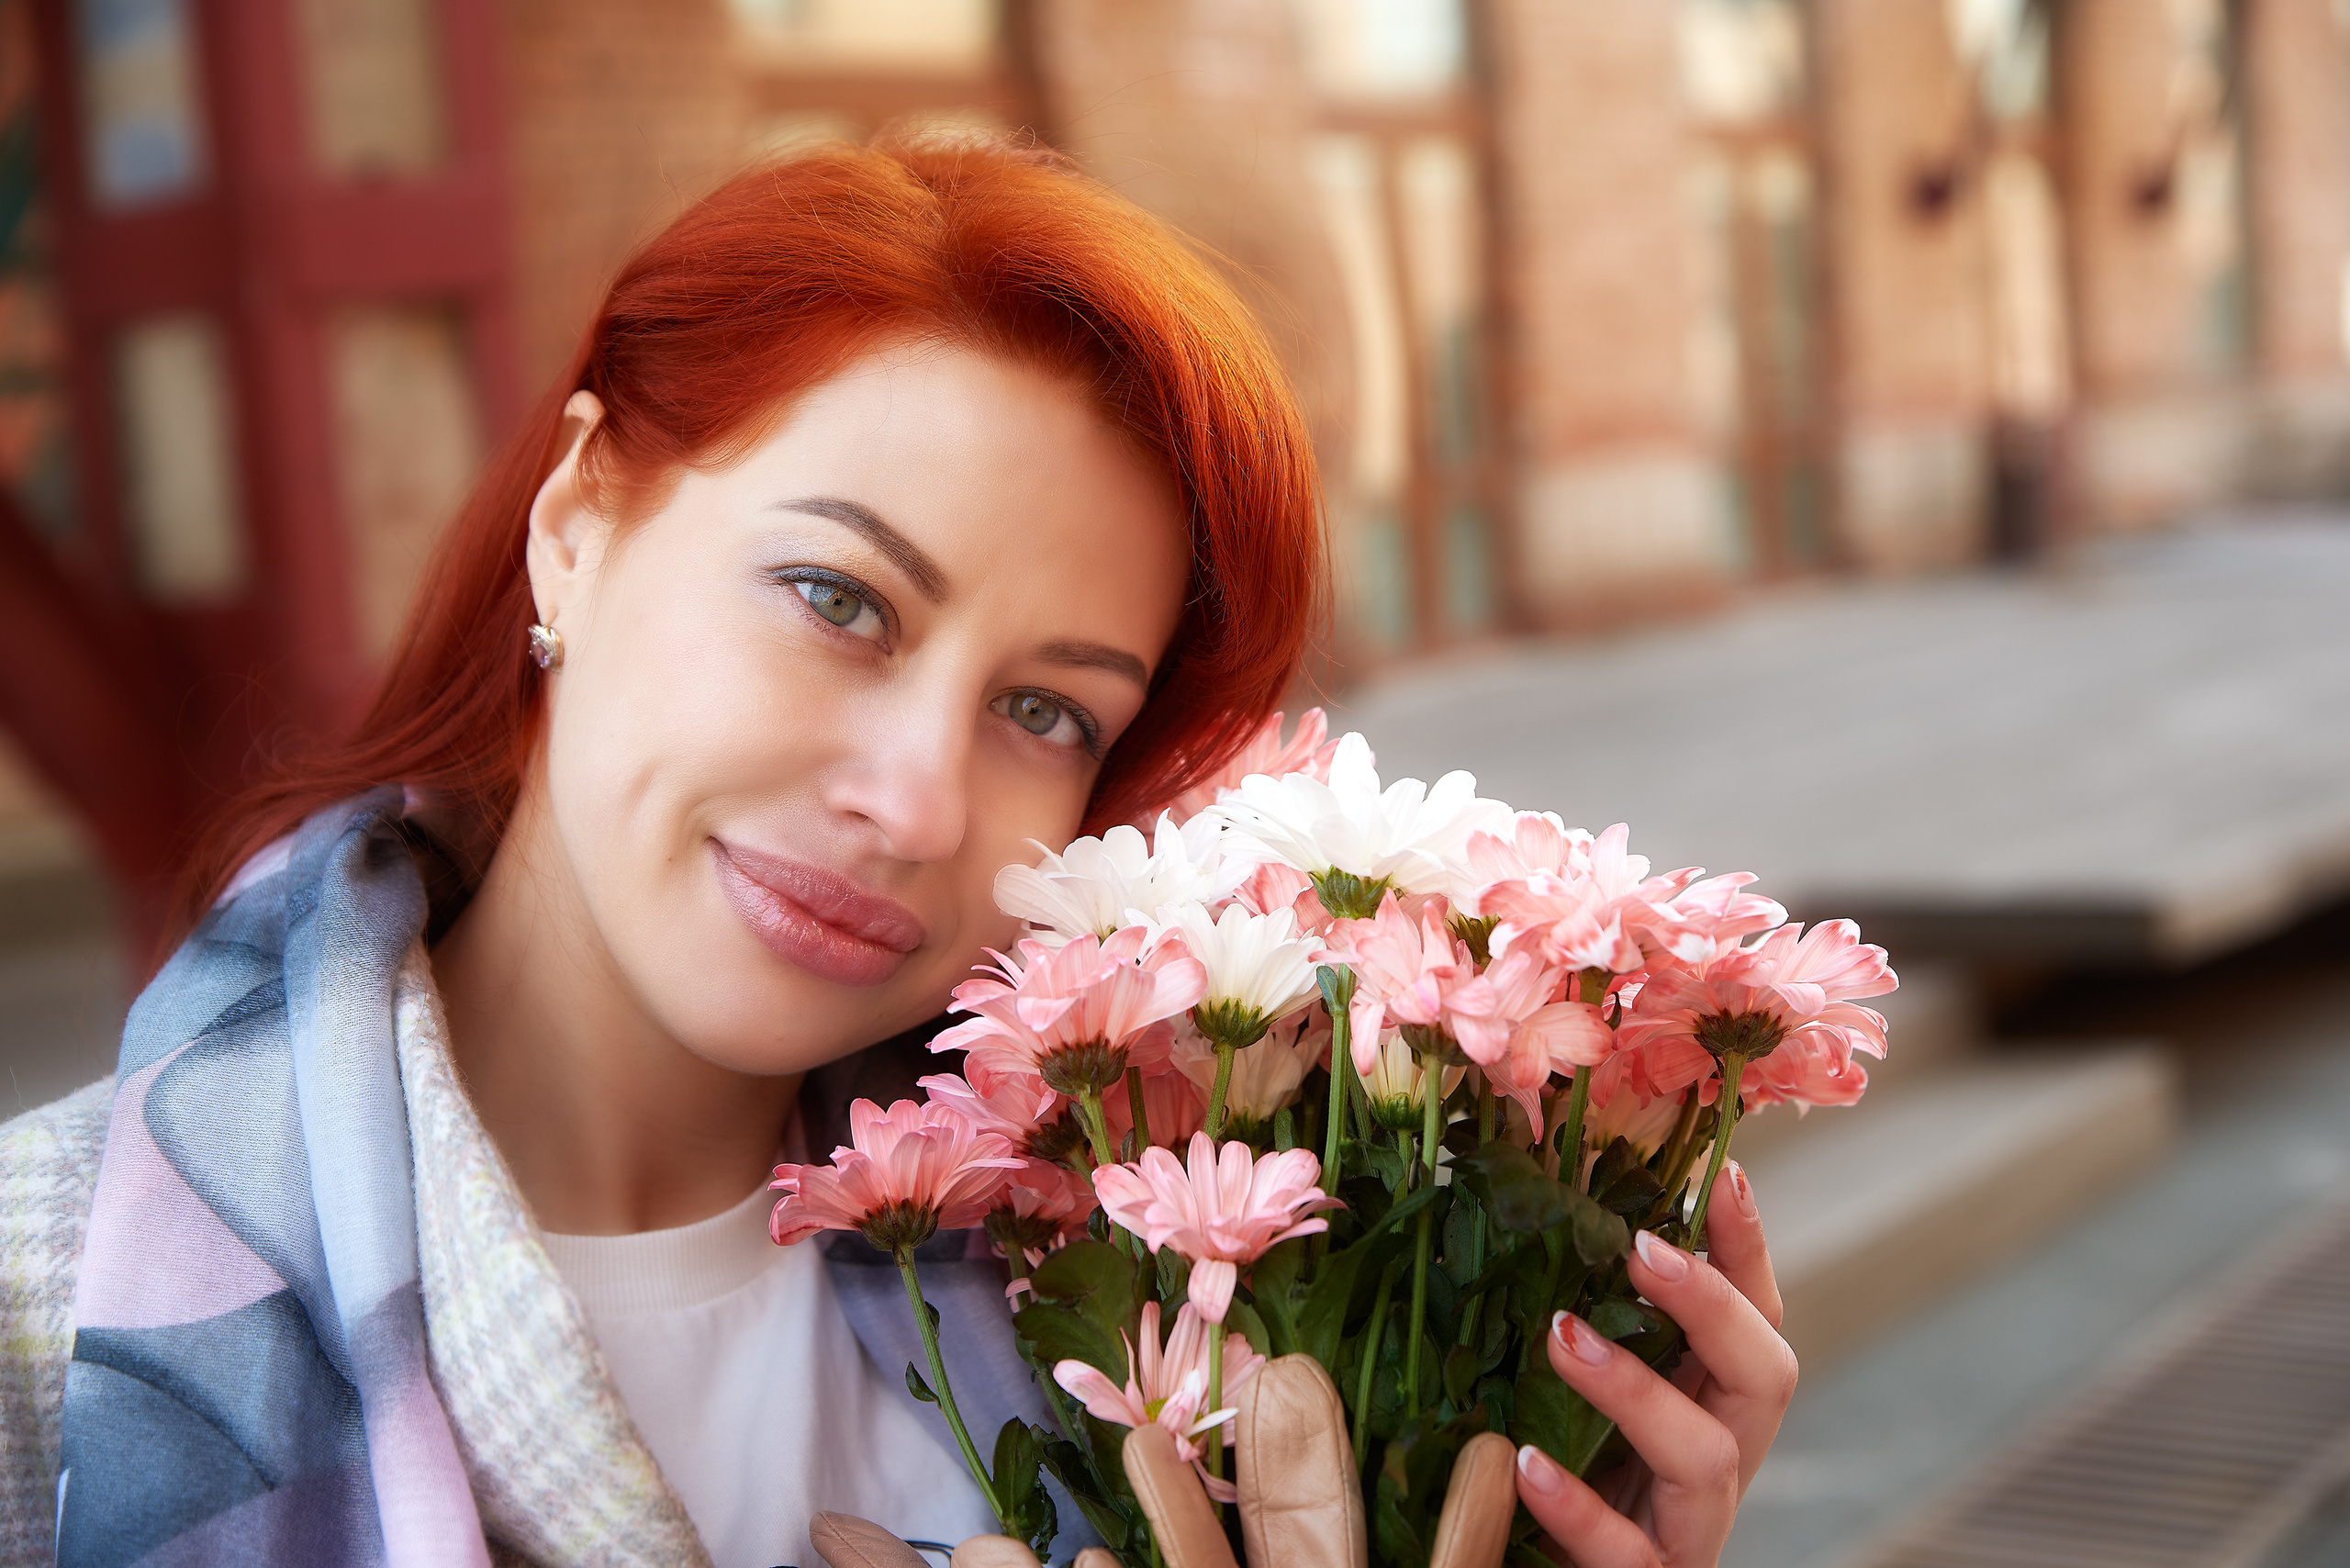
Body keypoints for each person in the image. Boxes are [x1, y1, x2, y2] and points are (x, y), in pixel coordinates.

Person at [0, 137, 1796, 1568]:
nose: (919, 801)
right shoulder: (51, 1306)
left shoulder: (1157, 1299)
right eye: (837, 598)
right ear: (577, 525)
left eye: (1048, 710)